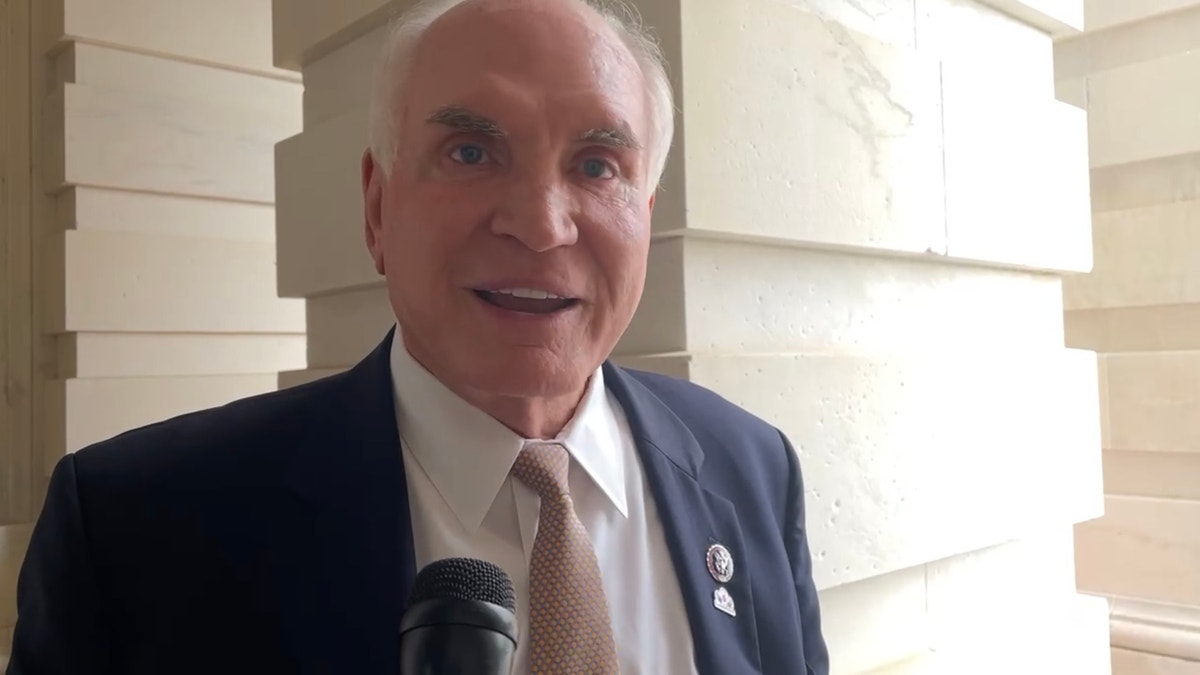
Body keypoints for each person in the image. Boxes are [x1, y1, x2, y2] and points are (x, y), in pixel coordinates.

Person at [7, 0, 829, 672]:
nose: (542, 227)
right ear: (377, 208)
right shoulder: (135, 531)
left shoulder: (753, 468)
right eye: (472, 150)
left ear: (644, 221)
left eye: (597, 165)